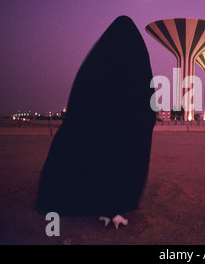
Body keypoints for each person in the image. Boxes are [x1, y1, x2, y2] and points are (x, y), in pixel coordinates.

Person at [36, 16, 156, 229]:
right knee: (118, 164)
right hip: (125, 148)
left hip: (89, 144)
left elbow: (81, 105)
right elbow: (145, 110)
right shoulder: (136, 69)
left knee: (92, 159)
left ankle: (84, 195)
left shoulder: (97, 68)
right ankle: (116, 197)